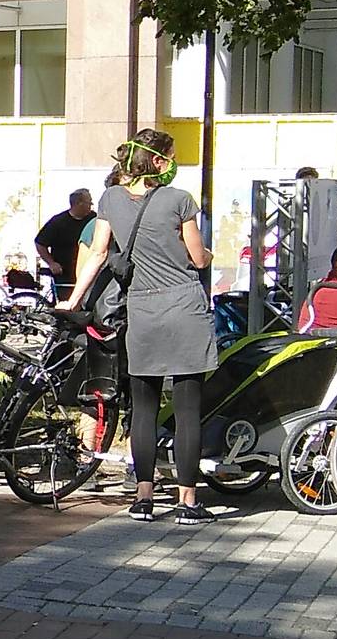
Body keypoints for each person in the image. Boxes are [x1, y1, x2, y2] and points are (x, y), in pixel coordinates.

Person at [60, 127, 220, 525]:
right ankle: (187, 501)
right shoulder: (180, 200)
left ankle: (143, 498)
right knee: (186, 409)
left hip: (142, 312)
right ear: (161, 161)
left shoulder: (110, 198)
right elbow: (198, 259)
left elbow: (97, 253)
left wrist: (74, 300)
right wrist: (208, 252)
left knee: (143, 408)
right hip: (184, 307)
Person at [34, 188, 95, 302]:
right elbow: (40, 243)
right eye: (89, 203)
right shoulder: (58, 222)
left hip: (88, 271)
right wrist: (51, 263)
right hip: (64, 273)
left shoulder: (94, 220)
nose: (91, 206)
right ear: (78, 203)